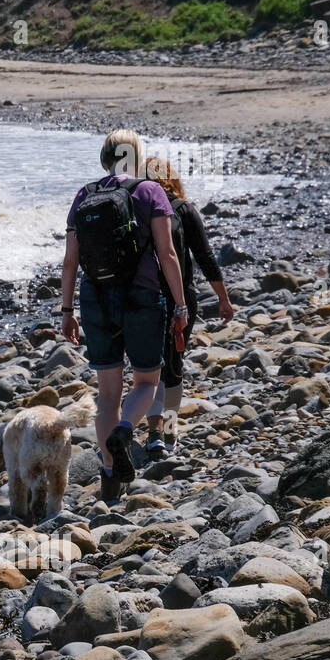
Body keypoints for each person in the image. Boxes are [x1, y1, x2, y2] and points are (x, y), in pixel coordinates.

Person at [60, 130, 189, 502]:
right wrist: (180, 306)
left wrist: (67, 311)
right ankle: (127, 430)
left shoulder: (84, 195)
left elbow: (70, 262)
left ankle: (109, 477)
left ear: (104, 158)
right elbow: (167, 254)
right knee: (147, 382)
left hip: (96, 298)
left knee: (107, 395)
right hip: (142, 296)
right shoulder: (150, 192)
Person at [141, 157, 235, 455]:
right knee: (173, 365)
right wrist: (223, 298)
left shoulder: (134, 208)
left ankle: (153, 432)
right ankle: (168, 431)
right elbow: (206, 257)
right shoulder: (183, 210)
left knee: (148, 367)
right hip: (181, 300)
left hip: (141, 299)